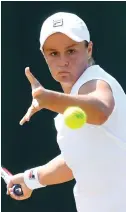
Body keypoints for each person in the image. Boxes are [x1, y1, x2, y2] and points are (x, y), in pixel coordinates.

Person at [7, 12, 126, 212]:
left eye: (71, 51)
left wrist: (51, 99)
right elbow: (75, 160)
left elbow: (101, 110)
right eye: (53, 53)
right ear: (44, 57)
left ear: (88, 49)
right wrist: (31, 179)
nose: (63, 61)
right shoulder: (73, 103)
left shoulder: (94, 81)